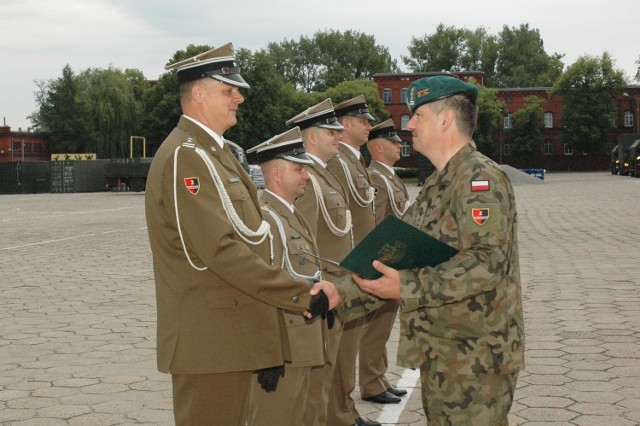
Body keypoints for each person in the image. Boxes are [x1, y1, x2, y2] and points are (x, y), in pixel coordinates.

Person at [144, 43, 338, 426]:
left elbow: (255, 242)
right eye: (228, 90)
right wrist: (299, 293)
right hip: (211, 342)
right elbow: (220, 251)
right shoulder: (188, 156)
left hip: (232, 338)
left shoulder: (216, 153)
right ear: (198, 94)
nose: (239, 97)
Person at [347, 75, 525, 425]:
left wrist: (407, 285)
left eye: (418, 115)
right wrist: (334, 296)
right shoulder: (439, 183)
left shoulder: (480, 180)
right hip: (445, 353)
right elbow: (393, 254)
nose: (408, 124)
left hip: (476, 359)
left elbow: (487, 264)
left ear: (445, 120)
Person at [245, 127, 332, 426]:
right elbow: (258, 287)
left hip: (304, 343)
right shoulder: (264, 218)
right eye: (299, 169)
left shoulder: (290, 214)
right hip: (284, 350)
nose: (307, 176)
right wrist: (269, 351)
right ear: (277, 175)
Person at [286, 99, 353, 426]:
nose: (339, 136)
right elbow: (302, 248)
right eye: (331, 132)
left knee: (325, 382)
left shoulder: (323, 175)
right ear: (311, 138)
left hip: (337, 291)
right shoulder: (308, 180)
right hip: (323, 296)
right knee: (315, 388)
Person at [326, 95, 385, 426]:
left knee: (349, 345)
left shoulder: (354, 162)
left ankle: (344, 409)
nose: (369, 126)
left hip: (361, 263)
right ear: (346, 124)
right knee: (344, 348)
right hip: (347, 266)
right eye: (364, 121)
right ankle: (340, 413)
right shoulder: (339, 164)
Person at [352, 118, 410, 404]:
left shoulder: (388, 175)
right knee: (375, 327)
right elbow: (373, 223)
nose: (400, 145)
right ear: (377, 146)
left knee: (383, 325)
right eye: (393, 141)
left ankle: (378, 377)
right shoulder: (376, 177)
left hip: (393, 260)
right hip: (381, 262)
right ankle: (371, 383)